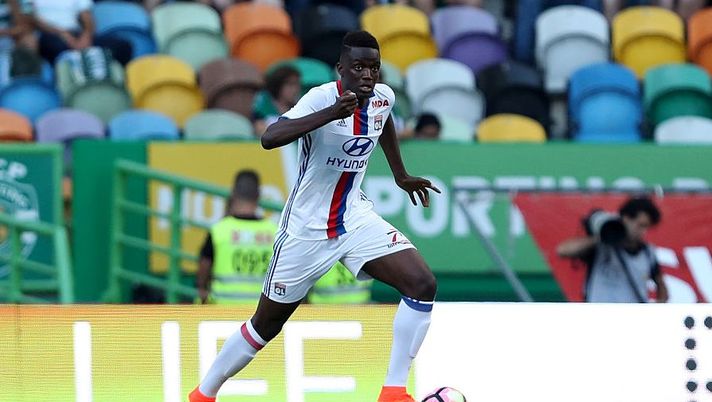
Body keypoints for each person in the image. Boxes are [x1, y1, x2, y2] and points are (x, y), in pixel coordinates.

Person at [190, 30, 440, 402]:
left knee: (422, 284)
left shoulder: (382, 98)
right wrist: (329, 114)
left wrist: (400, 174)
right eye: (359, 67)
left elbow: (383, 121)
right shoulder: (321, 98)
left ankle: (393, 390)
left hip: (355, 218)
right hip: (306, 230)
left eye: (374, 67)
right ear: (342, 69)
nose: (368, 75)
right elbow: (270, 137)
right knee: (265, 326)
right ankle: (203, 394)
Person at [557, 196, 669, 303]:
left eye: (646, 227)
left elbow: (660, 284)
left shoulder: (647, 253)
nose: (643, 232)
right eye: (640, 225)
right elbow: (563, 251)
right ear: (625, 219)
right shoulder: (602, 246)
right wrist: (603, 236)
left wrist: (658, 305)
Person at [196, 170, 277, 304]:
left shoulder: (219, 230)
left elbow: (203, 272)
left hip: (224, 311)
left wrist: (203, 294)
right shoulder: (274, 232)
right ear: (258, 195)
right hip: (260, 314)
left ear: (233, 193)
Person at [30, 0, 133, 65]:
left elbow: (87, 16)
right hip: (48, 34)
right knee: (58, 48)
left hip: (76, 33)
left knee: (123, 46)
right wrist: (62, 34)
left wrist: (86, 36)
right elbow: (30, 17)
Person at [253, 65, 302, 135]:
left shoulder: (301, 108)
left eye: (297, 85)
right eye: (290, 85)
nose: (295, 90)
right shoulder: (262, 107)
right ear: (278, 85)